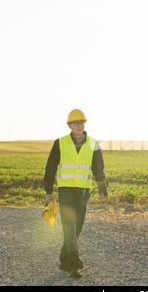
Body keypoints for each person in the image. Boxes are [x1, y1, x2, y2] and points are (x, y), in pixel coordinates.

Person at [44, 109, 108, 278]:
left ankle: (65, 258)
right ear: (69, 125)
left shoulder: (93, 143)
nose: (79, 125)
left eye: (82, 122)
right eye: (76, 123)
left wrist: (102, 187)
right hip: (65, 190)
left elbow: (98, 168)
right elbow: (50, 167)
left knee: (77, 227)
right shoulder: (60, 143)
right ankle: (74, 265)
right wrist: (48, 191)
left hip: (83, 191)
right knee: (69, 226)